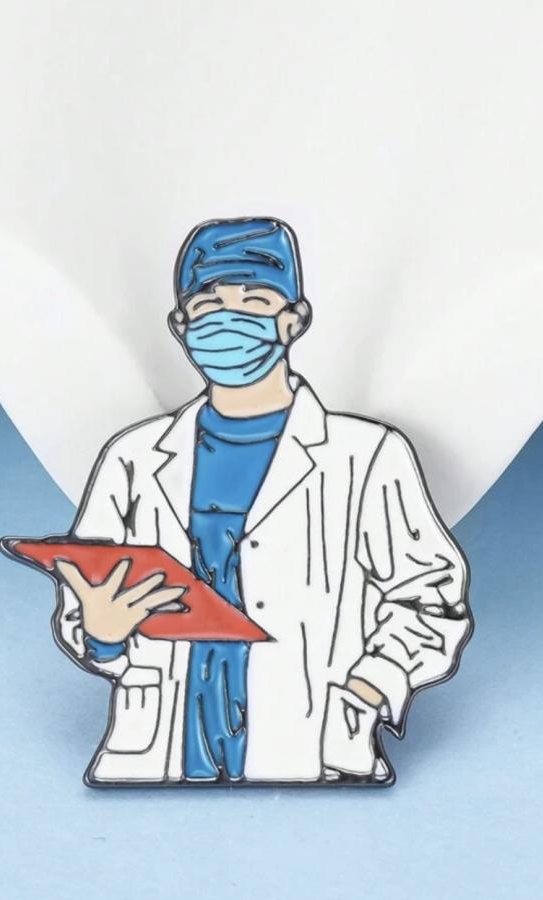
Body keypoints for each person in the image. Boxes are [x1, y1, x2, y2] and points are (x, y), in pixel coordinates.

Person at [53, 217, 472, 786]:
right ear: (180, 325)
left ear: (294, 320)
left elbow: (430, 596)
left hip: (311, 741)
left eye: (254, 301)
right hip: (159, 745)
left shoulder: (368, 455)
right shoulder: (133, 458)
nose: (228, 321)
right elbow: (81, 601)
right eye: (208, 305)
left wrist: (369, 688)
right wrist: (102, 634)